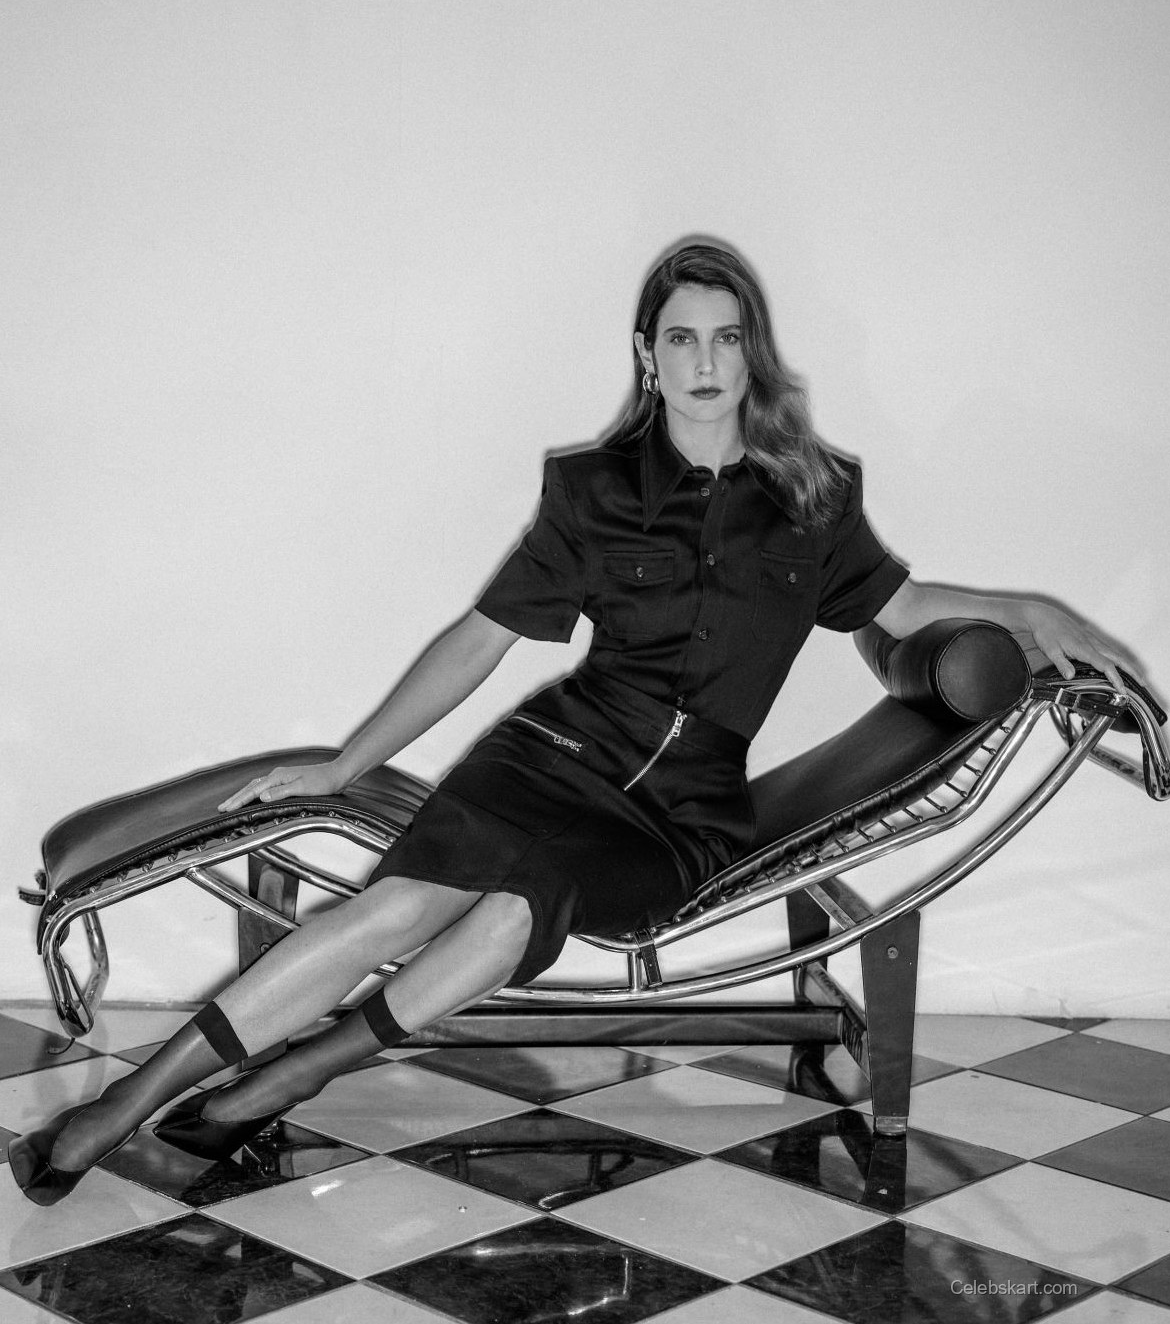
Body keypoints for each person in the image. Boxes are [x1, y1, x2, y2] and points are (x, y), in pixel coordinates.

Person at [10, 241, 1141, 1206]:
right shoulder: (592, 488)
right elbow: (480, 638)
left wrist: (1034, 612)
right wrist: (348, 762)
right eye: (682, 338)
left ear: (754, 352)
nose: (705, 361)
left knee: (517, 910)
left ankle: (291, 1074)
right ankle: (129, 1101)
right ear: (648, 355)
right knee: (398, 904)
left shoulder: (816, 496)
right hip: (547, 755)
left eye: (727, 337)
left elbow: (902, 605)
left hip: (680, 815)